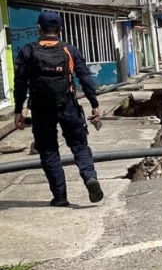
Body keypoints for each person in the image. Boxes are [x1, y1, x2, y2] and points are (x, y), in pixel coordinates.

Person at [12, 11, 104, 207]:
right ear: (60, 30)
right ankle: (89, 178)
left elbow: (20, 82)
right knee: (79, 146)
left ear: (39, 29)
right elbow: (85, 78)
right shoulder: (70, 50)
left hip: (41, 109)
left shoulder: (28, 51)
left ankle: (60, 196)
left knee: (48, 151)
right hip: (68, 105)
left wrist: (18, 110)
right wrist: (94, 104)